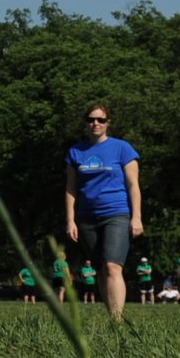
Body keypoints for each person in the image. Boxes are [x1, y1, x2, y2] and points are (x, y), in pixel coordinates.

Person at [64, 104, 143, 320]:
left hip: (116, 213)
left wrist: (136, 217)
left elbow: (133, 185)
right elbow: (71, 188)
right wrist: (70, 220)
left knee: (112, 265)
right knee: (100, 268)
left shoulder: (122, 148)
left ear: (108, 123)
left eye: (101, 120)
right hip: (87, 217)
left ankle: (117, 321)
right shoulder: (75, 152)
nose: (95, 124)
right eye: (91, 120)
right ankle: (112, 316)